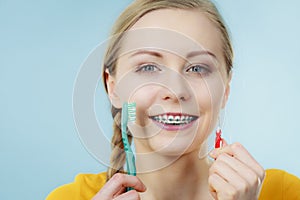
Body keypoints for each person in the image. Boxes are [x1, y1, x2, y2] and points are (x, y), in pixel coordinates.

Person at [47, 0, 300, 199]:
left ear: (225, 89)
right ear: (113, 87)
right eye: (148, 67)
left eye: (198, 68)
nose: (175, 90)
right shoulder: (70, 198)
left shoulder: (285, 193)